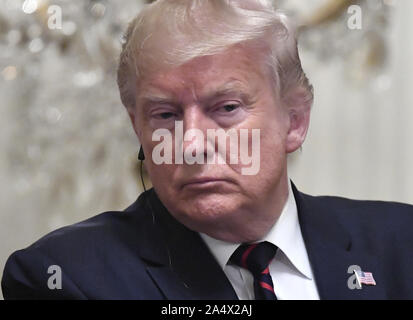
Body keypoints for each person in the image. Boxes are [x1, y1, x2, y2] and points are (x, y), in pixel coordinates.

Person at [2, 0, 413, 300]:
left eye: (227, 108)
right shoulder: (65, 277)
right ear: (138, 129)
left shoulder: (401, 246)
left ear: (295, 121)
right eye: (165, 114)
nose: (192, 144)